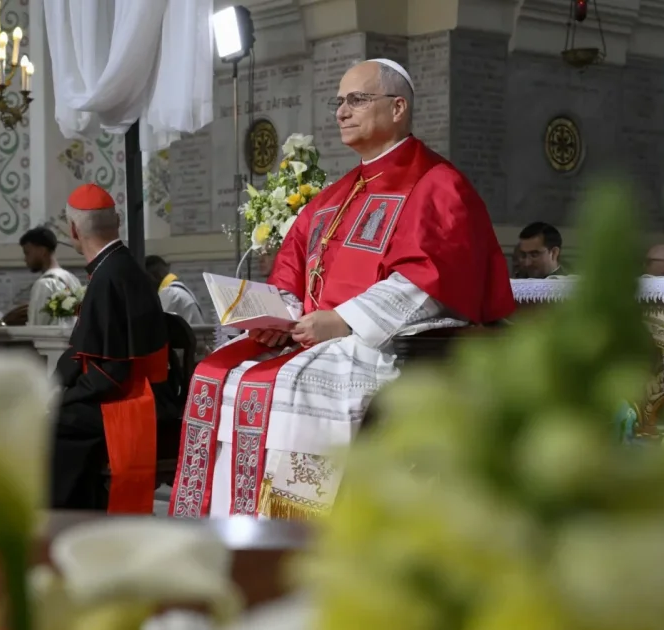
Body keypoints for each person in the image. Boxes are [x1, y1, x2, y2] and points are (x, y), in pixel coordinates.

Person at [169, 58, 515, 519]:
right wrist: (279, 320)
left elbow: (430, 275)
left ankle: (295, 539)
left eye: (356, 99)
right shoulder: (332, 198)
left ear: (397, 108)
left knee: (293, 383)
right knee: (220, 374)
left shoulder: (437, 184)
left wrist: (342, 321)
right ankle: (232, 524)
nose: (341, 111)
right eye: (339, 102)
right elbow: (291, 272)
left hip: (379, 343)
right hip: (313, 337)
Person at [50, 183, 169, 513]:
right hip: (137, 392)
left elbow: (110, 373)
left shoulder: (109, 277)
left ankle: (61, 524)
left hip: (129, 400)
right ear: (116, 221)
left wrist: (60, 397)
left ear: (73, 230)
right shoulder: (120, 268)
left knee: (49, 424)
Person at [19, 226, 81, 325]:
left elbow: (36, 328)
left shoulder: (45, 284)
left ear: (42, 251)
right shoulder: (73, 279)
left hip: (52, 341)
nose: (25, 259)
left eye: (27, 253)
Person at [145, 254, 204, 325]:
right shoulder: (179, 289)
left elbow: (155, 324)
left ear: (156, 275)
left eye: (146, 279)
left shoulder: (170, 293)